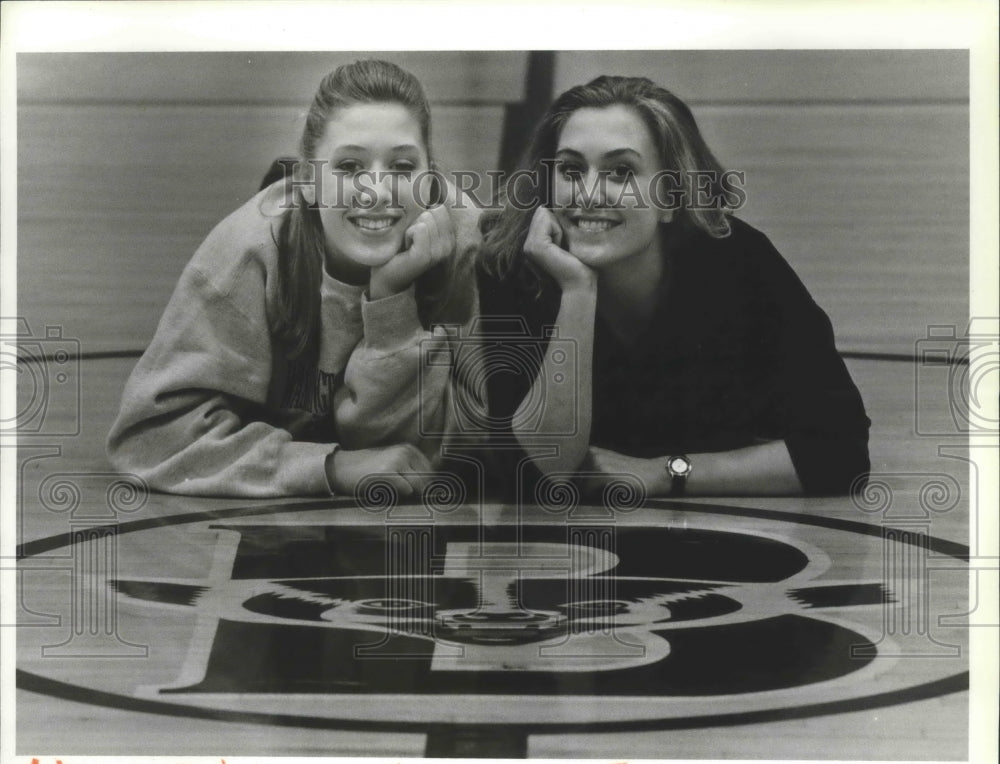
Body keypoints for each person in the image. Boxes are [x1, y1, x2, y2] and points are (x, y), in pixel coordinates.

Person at [474, 75, 870, 499]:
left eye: (621, 172)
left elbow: (840, 452)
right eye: (571, 169)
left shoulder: (739, 261)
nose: (588, 194)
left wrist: (667, 472)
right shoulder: (514, 265)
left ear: (671, 198)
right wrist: (577, 292)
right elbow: (536, 476)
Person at [108, 60, 479, 498]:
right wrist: (330, 467)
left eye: (402, 167)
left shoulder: (466, 244)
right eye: (349, 167)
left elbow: (450, 454)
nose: (377, 191)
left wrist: (392, 298)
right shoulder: (245, 252)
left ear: (430, 180)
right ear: (306, 179)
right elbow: (149, 438)